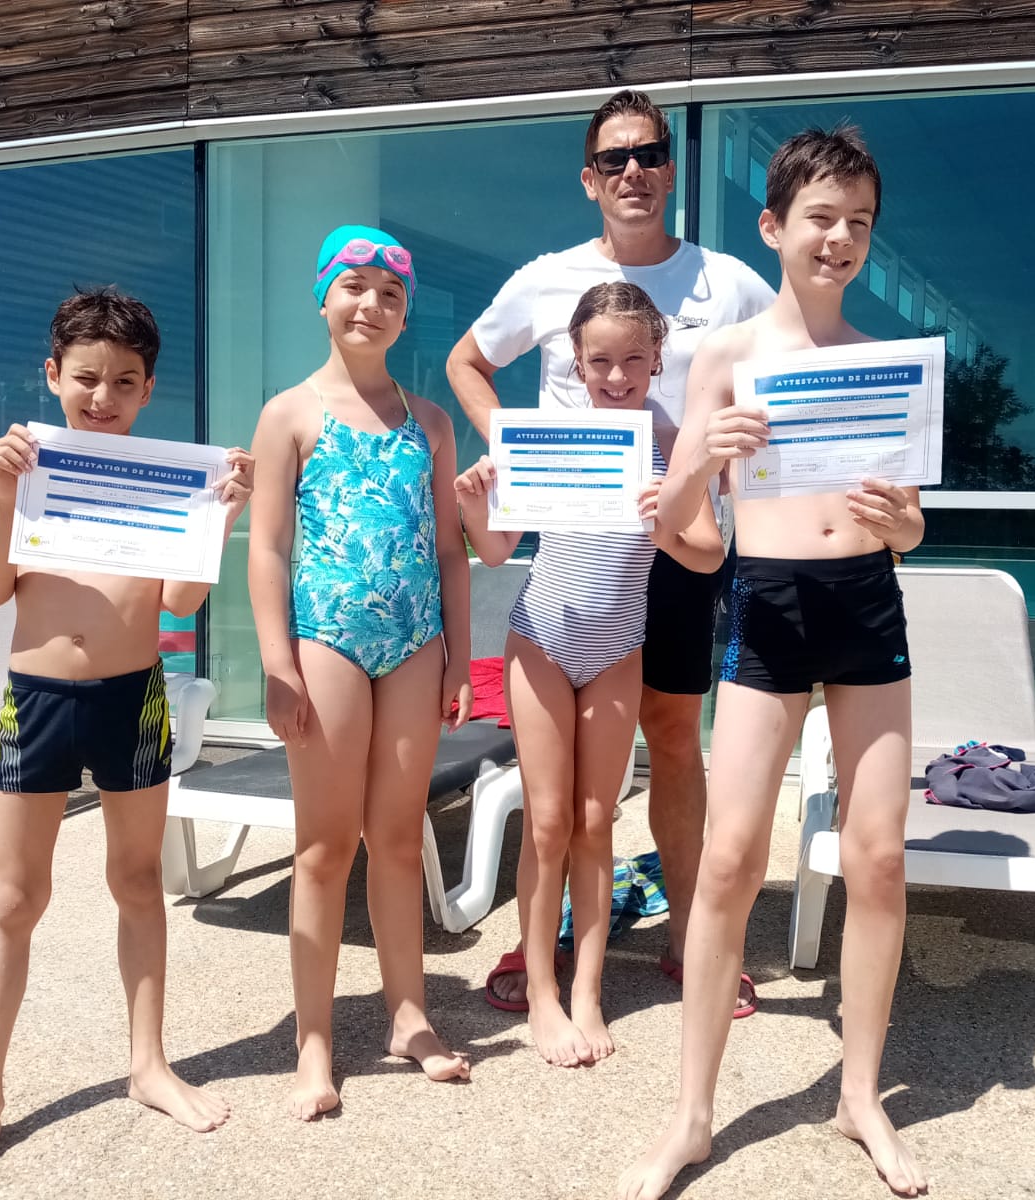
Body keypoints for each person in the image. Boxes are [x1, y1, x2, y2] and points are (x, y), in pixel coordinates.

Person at [618, 127, 930, 1199]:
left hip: (865, 607)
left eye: (859, 223)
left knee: (877, 857)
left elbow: (910, 527)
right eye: (821, 218)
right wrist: (700, 461)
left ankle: (858, 1100)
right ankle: (692, 1117)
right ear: (774, 227)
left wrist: (905, 526)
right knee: (726, 862)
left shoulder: (881, 365)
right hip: (764, 601)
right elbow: (688, 537)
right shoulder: (726, 355)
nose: (840, 238)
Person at [0, 287, 253, 1200]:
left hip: (134, 697)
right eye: (87, 379)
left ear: (148, 391)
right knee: (16, 899)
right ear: (53, 376)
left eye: (124, 383)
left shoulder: (164, 479)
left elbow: (180, 603)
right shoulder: (34, 471)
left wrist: (219, 513)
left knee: (139, 884)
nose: (102, 397)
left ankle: (148, 1063)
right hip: (38, 699)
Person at [447, 87, 775, 1018]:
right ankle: (537, 941)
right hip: (579, 556)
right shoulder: (547, 277)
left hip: (683, 545)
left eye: (651, 153)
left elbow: (778, 380)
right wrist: (515, 451)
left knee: (674, 740)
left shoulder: (731, 283)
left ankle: (690, 939)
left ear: (671, 167)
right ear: (589, 178)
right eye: (614, 159)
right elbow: (467, 363)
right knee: (560, 796)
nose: (635, 171)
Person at [456, 282, 723, 1066]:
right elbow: (500, 553)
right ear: (575, 361)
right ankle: (541, 990)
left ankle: (587, 991)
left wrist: (661, 523)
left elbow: (708, 553)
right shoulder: (545, 436)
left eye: (633, 359)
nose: (616, 375)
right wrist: (476, 506)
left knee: (597, 819)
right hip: (540, 638)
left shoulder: (671, 444)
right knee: (546, 822)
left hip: (617, 649)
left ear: (657, 359)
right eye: (599, 360)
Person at [246, 224, 473, 1121]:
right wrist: (276, 661)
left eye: (389, 293)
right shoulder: (289, 414)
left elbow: (452, 550)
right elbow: (265, 548)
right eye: (354, 287)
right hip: (327, 641)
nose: (369, 305)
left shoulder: (432, 421)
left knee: (396, 832)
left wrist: (457, 653)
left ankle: (408, 1016)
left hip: (414, 643)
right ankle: (313, 1045)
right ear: (323, 297)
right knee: (324, 845)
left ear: (405, 313)